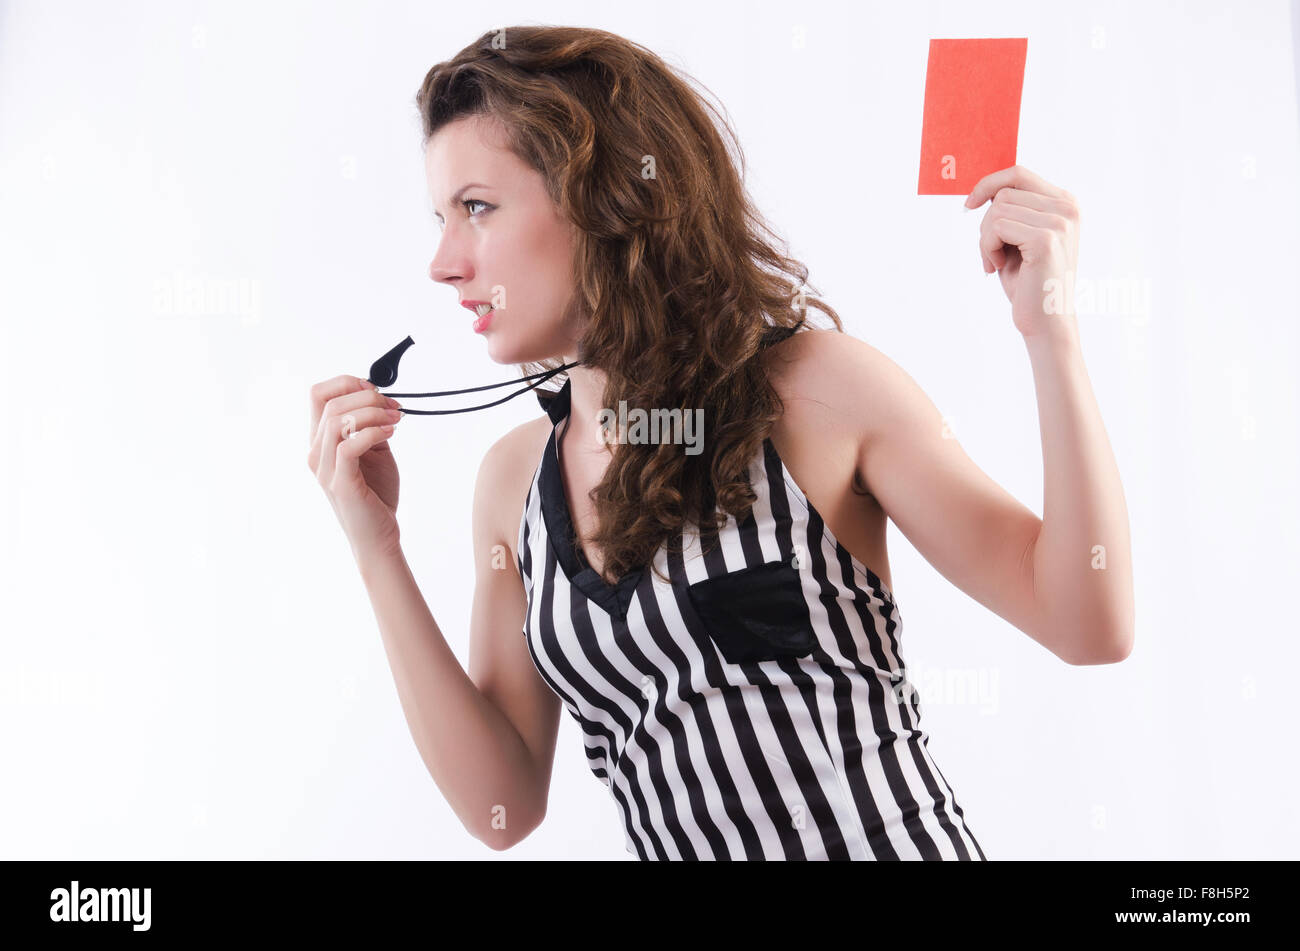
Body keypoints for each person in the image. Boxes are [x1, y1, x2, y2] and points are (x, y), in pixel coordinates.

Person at [306, 26, 1134, 859]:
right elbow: (504, 804)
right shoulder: (514, 483)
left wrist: (1049, 332)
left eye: (477, 208)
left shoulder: (817, 392)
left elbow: (1088, 623)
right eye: (442, 217)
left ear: (602, 198)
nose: (444, 262)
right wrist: (377, 548)